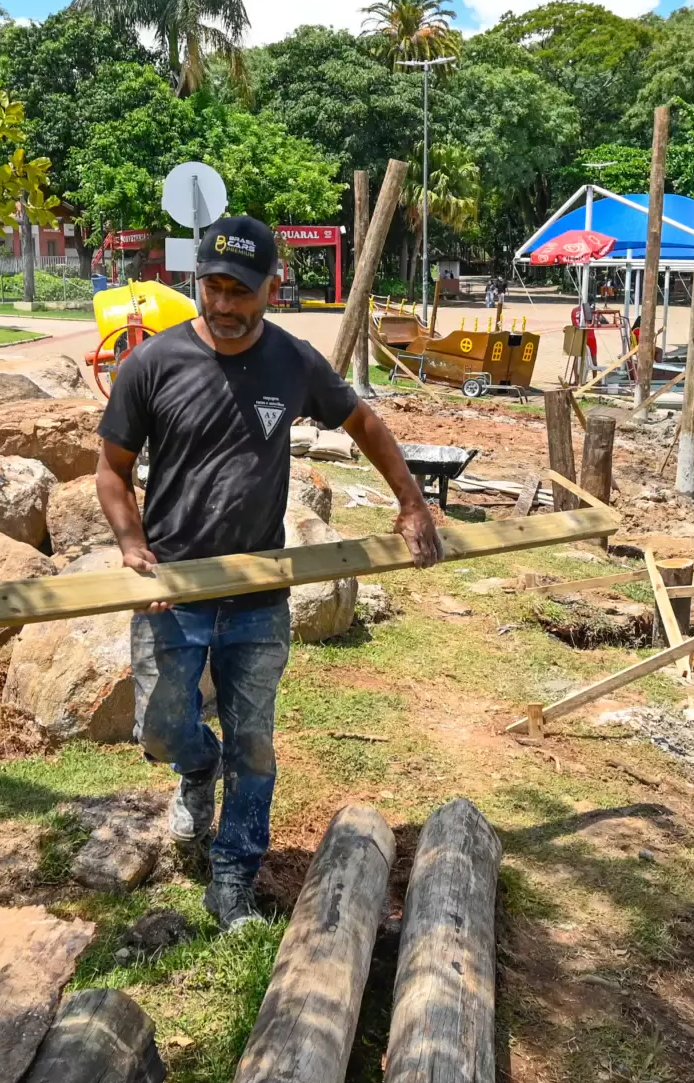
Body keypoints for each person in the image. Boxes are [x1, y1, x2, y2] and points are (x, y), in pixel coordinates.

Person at [95, 215, 441, 931]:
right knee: (161, 727)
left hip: (258, 597)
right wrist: (133, 545)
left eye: (239, 291)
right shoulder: (152, 364)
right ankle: (196, 768)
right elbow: (111, 470)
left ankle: (233, 878)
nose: (222, 304)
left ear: (273, 288)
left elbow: (364, 422)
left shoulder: (293, 361)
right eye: (211, 287)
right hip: (176, 593)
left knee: (254, 744)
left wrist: (412, 504)